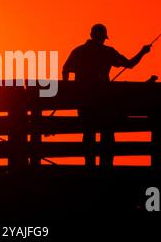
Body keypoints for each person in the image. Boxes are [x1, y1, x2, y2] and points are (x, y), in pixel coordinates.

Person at [62, 24, 151, 168]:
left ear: (91, 35)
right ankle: (106, 167)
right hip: (105, 101)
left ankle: (89, 167)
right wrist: (142, 52)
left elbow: (65, 69)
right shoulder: (107, 52)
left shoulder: (79, 51)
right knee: (107, 135)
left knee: (88, 134)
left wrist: (69, 89)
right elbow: (130, 64)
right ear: (103, 38)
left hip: (84, 101)